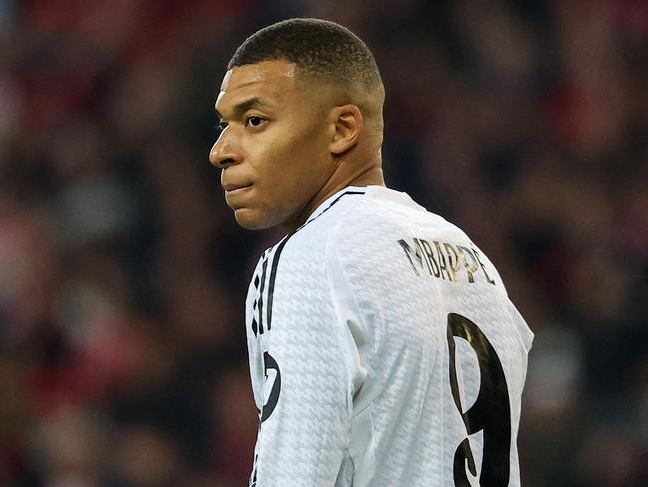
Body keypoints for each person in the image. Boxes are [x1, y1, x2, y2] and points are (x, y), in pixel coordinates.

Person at [209, 18, 533, 487]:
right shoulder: (476, 263)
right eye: (225, 124)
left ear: (342, 128)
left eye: (254, 121)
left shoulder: (311, 256)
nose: (221, 150)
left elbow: (294, 470)